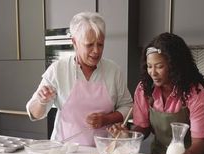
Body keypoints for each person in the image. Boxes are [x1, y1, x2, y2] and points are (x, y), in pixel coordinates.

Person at [26, 12, 133, 146]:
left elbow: (128, 106)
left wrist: (106, 119)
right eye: (89, 45)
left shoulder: (113, 71)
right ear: (75, 42)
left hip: (103, 152)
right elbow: (34, 114)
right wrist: (42, 101)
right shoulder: (58, 70)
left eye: (100, 44)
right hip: (64, 152)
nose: (96, 51)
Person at [114, 32, 204, 154]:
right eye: (149, 66)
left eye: (159, 66)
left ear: (174, 66)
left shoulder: (194, 93)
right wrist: (128, 135)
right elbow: (143, 127)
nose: (152, 72)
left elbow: (199, 142)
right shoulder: (144, 89)